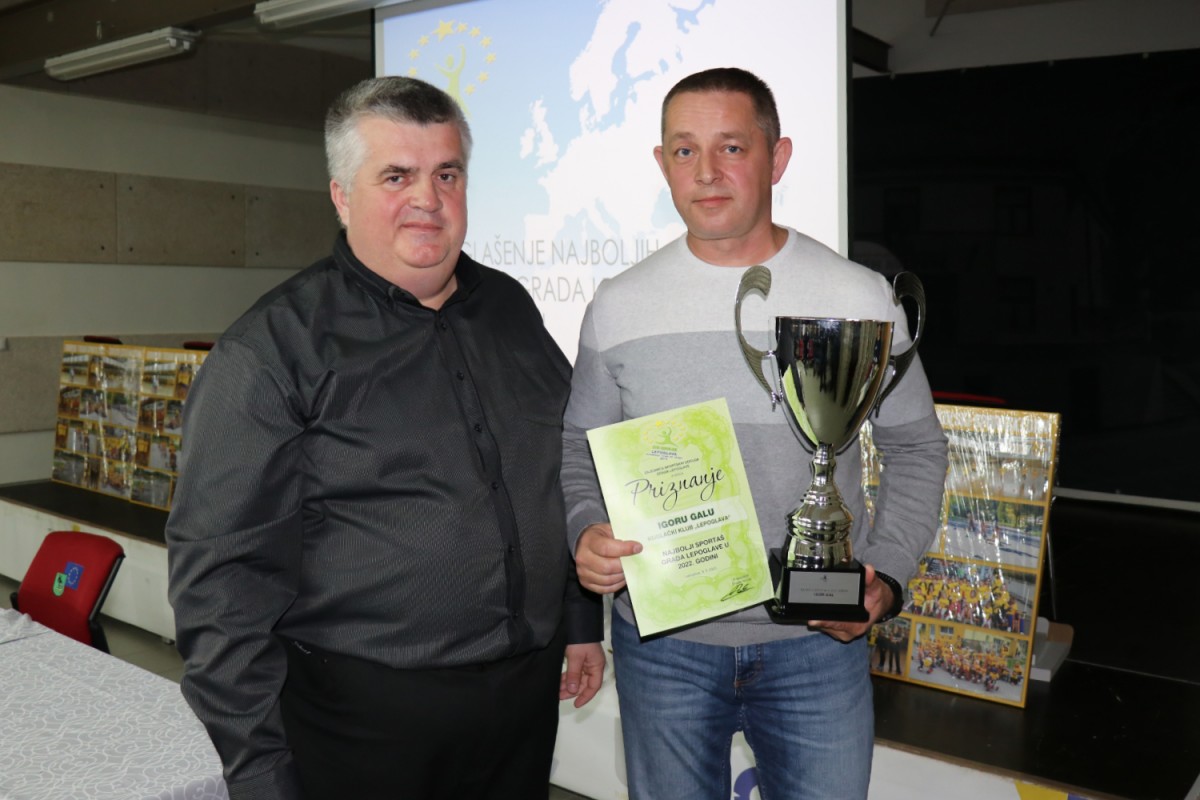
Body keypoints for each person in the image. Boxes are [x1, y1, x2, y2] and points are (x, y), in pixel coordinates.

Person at [166, 76, 604, 800]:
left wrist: (579, 617)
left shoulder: (510, 308)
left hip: (523, 707)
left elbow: (552, 471)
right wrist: (262, 772)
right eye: (396, 176)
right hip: (359, 726)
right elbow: (220, 589)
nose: (427, 199)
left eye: (446, 175)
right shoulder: (271, 352)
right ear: (342, 197)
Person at [561, 67, 948, 799]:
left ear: (778, 157)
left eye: (732, 147)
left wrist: (888, 575)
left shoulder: (858, 295)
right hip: (664, 649)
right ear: (661, 163)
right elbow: (580, 447)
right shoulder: (618, 305)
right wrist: (586, 529)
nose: (706, 171)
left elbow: (917, 446)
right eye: (684, 150)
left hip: (816, 647)